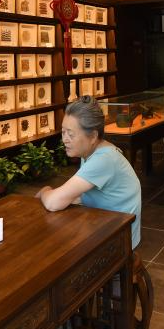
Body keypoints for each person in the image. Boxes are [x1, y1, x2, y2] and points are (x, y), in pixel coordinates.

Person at [36, 97, 141, 249]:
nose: (65, 140)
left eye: (71, 134)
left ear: (92, 136)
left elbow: (53, 203)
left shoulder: (103, 159)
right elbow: (80, 193)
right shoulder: (94, 150)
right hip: (108, 224)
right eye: (63, 132)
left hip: (118, 241)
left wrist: (45, 191)